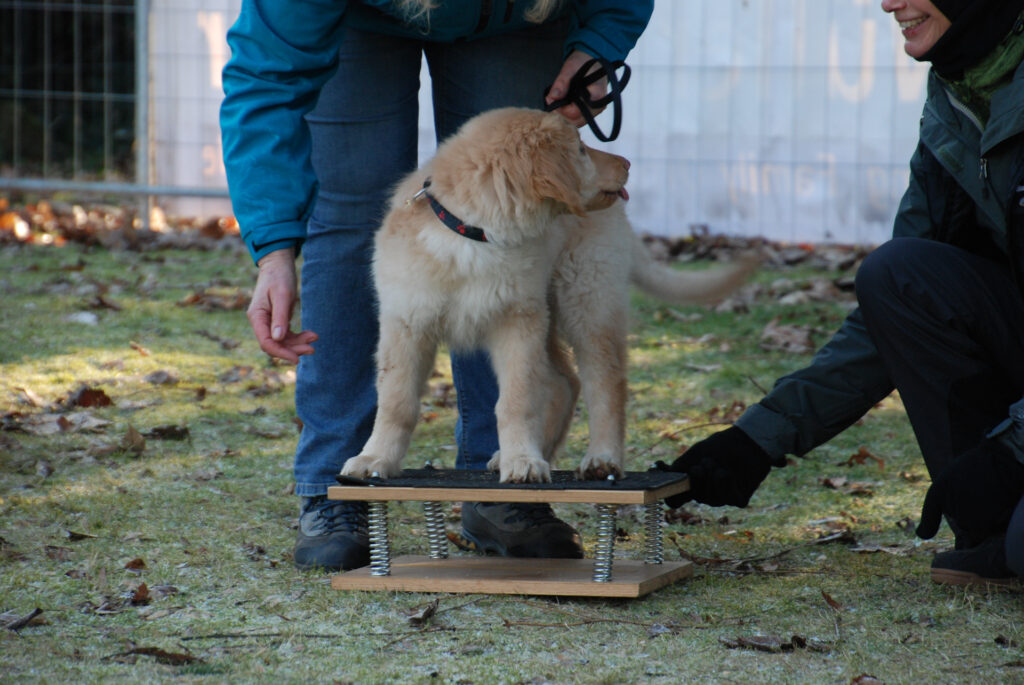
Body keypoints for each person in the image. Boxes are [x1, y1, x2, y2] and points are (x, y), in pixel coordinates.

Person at [220, 0, 653, 572]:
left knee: (509, 206)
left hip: (515, 18)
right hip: (355, 19)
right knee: (349, 214)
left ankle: (496, 480)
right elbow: (266, 76)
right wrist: (274, 249)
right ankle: (336, 482)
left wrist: (597, 46)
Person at [662, 0, 1024, 586]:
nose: (889, 3)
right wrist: (756, 440)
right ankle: (996, 530)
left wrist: (1010, 456)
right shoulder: (957, 96)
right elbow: (896, 309)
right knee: (896, 271)